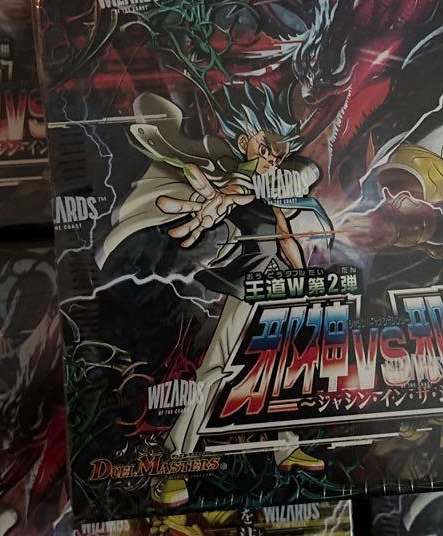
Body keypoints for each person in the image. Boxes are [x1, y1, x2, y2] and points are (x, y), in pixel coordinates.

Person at [97, 88, 331, 508]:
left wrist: (303, 279)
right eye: (264, 145)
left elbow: (284, 235)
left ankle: (286, 447)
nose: (271, 155)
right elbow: (236, 192)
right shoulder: (238, 178)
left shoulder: (268, 187)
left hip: (275, 283)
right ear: (244, 142)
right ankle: (174, 461)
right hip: (248, 285)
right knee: (217, 369)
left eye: (276, 149)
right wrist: (225, 198)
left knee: (279, 365)